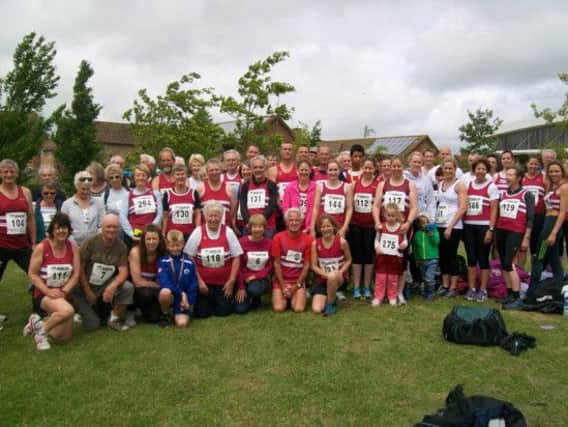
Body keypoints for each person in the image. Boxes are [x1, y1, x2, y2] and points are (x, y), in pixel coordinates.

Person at [25, 213, 79, 350]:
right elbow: (32, 273)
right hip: (44, 294)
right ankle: (40, 334)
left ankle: (37, 323)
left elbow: (76, 274)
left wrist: (64, 290)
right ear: (52, 230)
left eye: (65, 228)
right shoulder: (42, 247)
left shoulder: (72, 247)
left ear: (69, 229)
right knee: (68, 311)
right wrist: (47, 290)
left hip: (63, 294)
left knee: (63, 336)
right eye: (58, 228)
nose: (62, 231)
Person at [73, 213, 133, 331]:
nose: (111, 230)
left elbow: (123, 272)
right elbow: (79, 268)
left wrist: (112, 286)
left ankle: (114, 319)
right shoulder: (90, 242)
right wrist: (88, 291)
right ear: (102, 227)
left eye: (115, 227)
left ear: (119, 228)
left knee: (127, 287)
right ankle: (75, 311)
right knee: (93, 325)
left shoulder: (121, 247)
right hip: (83, 288)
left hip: (103, 286)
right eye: (108, 226)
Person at [184, 202, 243, 318]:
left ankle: (223, 299)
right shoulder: (198, 232)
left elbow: (237, 257)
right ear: (205, 217)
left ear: (221, 217)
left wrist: (231, 281)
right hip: (204, 284)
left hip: (224, 283)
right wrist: (199, 281)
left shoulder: (228, 232)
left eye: (216, 216)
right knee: (202, 314)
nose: (213, 219)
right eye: (210, 216)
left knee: (223, 312)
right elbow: (189, 257)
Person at [372, 156, 417, 303]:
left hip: (402, 229)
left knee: (401, 261)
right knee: (384, 259)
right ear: (390, 167)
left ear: (403, 167)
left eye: (399, 166)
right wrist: (378, 222)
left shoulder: (409, 184)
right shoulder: (382, 185)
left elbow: (414, 207)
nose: (396, 168)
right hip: (385, 229)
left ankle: (398, 292)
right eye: (394, 166)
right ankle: (381, 292)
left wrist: (408, 223)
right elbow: (377, 205)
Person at [0, 159, 35, 324]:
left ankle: (39, 312)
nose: (8, 174)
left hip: (22, 246)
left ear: (17, 173)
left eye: (11, 171)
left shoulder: (25, 192)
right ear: (0, 174)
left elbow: (30, 219)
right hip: (2, 245)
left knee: (37, 276)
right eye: (5, 171)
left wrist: (33, 242)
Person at [495, 166, 534, 310]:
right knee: (503, 263)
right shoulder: (504, 193)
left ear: (518, 178)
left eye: (511, 174)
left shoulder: (526, 194)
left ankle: (517, 296)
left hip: (516, 232)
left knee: (509, 263)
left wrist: (526, 237)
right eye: (507, 174)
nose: (507, 177)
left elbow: (530, 218)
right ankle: (510, 293)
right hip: (501, 231)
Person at [462, 158, 499, 302]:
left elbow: (494, 210)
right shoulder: (468, 185)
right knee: (471, 258)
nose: (480, 171)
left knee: (483, 258)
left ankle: (483, 290)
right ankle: (471, 289)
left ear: (487, 171)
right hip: (469, 226)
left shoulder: (491, 186)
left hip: (484, 226)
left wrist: (491, 229)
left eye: (483, 169)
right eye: (478, 169)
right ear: (474, 170)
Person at [529, 161, 568, 289]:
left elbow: (562, 212)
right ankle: (559, 285)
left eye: (557, 171)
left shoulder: (564, 187)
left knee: (539, 255)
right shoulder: (552, 186)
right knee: (554, 258)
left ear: (562, 172)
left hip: (553, 225)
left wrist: (553, 233)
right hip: (547, 222)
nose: (553, 174)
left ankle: (533, 287)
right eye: (551, 171)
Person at [434, 159, 467, 298]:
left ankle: (453, 287)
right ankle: (445, 284)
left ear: (455, 169)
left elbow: (463, 207)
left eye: (450, 169)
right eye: (445, 168)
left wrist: (450, 226)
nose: (448, 171)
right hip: (440, 224)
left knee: (451, 256)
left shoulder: (459, 185)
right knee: (442, 256)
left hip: (453, 225)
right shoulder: (440, 183)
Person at [271, 208, 313, 313]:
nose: (294, 223)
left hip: (297, 281)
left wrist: (296, 286)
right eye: (291, 220)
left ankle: (294, 295)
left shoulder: (309, 239)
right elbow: (276, 264)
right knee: (279, 308)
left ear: (301, 222)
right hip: (281, 281)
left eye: (297, 220)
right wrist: (282, 285)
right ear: (286, 222)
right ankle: (285, 296)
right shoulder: (278, 237)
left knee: (298, 309)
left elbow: (307, 265)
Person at [310, 215, 352, 315]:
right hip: (323, 279)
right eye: (323, 227)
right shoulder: (315, 243)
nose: (326, 229)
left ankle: (331, 304)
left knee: (333, 276)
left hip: (339, 278)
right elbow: (314, 266)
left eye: (328, 226)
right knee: (317, 309)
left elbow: (349, 260)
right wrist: (325, 275)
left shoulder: (342, 242)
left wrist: (340, 272)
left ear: (333, 227)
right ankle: (333, 296)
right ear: (320, 229)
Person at [157, 230, 198, 328]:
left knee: (182, 324)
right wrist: (181, 293)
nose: (175, 248)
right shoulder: (162, 261)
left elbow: (193, 283)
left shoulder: (189, 262)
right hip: (172, 295)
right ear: (167, 246)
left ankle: (181, 310)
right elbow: (164, 282)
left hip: (184, 299)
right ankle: (166, 313)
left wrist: (188, 300)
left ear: (183, 244)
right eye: (172, 246)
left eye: (178, 245)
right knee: (164, 292)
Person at [349, 157, 377, 299]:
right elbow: (349, 206)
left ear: (374, 169)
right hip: (356, 225)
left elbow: (377, 206)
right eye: (365, 168)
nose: (367, 170)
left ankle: (366, 287)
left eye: (370, 168)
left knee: (368, 256)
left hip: (371, 226)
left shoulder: (378, 185)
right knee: (357, 256)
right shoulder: (354, 185)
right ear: (362, 169)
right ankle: (356, 287)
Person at [235, 214, 273, 314]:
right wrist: (241, 287)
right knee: (240, 310)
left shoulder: (269, 243)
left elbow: (270, 266)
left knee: (254, 289)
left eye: (260, 227)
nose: (257, 229)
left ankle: (256, 299)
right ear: (250, 228)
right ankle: (248, 298)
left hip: (260, 280)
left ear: (264, 228)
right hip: (243, 278)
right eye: (254, 226)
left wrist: (255, 276)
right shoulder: (241, 242)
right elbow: (237, 266)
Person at [130, 224, 166, 323]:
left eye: (154, 239)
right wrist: (157, 285)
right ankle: (131, 310)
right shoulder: (135, 252)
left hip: (152, 289)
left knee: (154, 319)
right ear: (143, 240)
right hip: (137, 290)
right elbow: (137, 282)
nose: (151, 242)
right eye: (148, 239)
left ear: (159, 240)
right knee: (146, 294)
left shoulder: (163, 253)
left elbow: (162, 278)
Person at [373, 203, 408, 306]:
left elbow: (405, 240)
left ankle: (392, 296)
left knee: (393, 278)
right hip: (383, 257)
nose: (391, 218)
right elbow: (376, 240)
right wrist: (377, 247)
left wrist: (403, 245)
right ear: (385, 215)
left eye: (393, 216)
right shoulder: (381, 227)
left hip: (395, 258)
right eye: (389, 215)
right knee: (381, 277)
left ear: (397, 216)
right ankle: (378, 296)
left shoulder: (401, 228)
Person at [311, 160, 353, 239]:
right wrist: (312, 228)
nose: (333, 173)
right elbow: (315, 208)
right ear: (327, 171)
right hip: (323, 227)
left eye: (335, 170)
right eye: (330, 170)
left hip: (339, 227)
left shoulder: (347, 187)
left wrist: (345, 227)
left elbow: (349, 208)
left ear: (339, 170)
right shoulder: (320, 186)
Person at [61, 170, 104, 246]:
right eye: (83, 189)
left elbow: (102, 225)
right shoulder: (67, 204)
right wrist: (73, 244)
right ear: (76, 187)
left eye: (88, 189)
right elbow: (64, 226)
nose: (86, 192)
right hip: (73, 245)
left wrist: (96, 241)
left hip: (94, 245)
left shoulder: (98, 202)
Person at [240, 155, 279, 237]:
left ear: (265, 168)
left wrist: (259, 222)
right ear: (252, 169)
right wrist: (250, 222)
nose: (258, 170)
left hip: (267, 226)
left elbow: (272, 205)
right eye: (255, 167)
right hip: (249, 226)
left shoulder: (272, 185)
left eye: (261, 167)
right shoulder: (245, 186)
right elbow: (243, 206)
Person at [162, 164, 201, 240]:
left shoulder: (194, 193)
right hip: (173, 236)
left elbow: (197, 214)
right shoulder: (168, 194)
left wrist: (197, 231)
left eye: (182, 174)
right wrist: (163, 233)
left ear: (186, 176)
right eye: (178, 174)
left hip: (190, 235)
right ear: (173, 177)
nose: (180, 176)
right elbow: (165, 216)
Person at [126, 164, 163, 244]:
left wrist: (150, 229)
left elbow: (160, 214)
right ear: (134, 178)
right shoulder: (128, 195)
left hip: (152, 233)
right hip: (136, 233)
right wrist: (131, 233)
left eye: (143, 175)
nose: (141, 177)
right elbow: (123, 216)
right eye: (138, 175)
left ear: (148, 177)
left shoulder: (155, 193)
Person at [520, 155, 546, 268]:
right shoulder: (521, 178)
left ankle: (536, 273)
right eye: (531, 163)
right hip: (523, 216)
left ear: (539, 165)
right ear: (527, 164)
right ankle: (521, 273)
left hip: (539, 215)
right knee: (522, 247)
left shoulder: (543, 177)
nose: (533, 166)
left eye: (536, 164)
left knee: (537, 247)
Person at [198, 159, 237, 230]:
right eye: (211, 170)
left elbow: (233, 211)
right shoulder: (200, 189)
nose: (214, 172)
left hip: (225, 230)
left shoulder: (229, 189)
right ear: (207, 172)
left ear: (221, 171)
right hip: (205, 230)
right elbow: (197, 212)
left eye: (217, 169)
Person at [281, 160, 316, 233]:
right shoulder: (290, 187)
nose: (304, 172)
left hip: (311, 226)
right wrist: (290, 224)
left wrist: (310, 227)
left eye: (306, 170)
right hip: (293, 225)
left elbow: (317, 209)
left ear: (310, 171)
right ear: (297, 171)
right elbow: (285, 208)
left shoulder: (316, 187)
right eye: (302, 170)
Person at [412, 215, 439, 301]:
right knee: (424, 278)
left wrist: (431, 235)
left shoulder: (434, 231)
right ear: (419, 225)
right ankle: (427, 292)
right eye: (423, 223)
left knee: (429, 277)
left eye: (427, 222)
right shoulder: (417, 234)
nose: (426, 225)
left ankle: (431, 293)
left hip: (432, 259)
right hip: (421, 260)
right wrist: (416, 258)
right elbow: (415, 247)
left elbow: (436, 242)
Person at [102, 164, 131, 237]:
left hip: (128, 231)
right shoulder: (105, 195)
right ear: (108, 180)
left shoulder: (129, 192)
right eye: (111, 178)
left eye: (117, 177)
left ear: (121, 178)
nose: (114, 179)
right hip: (112, 232)